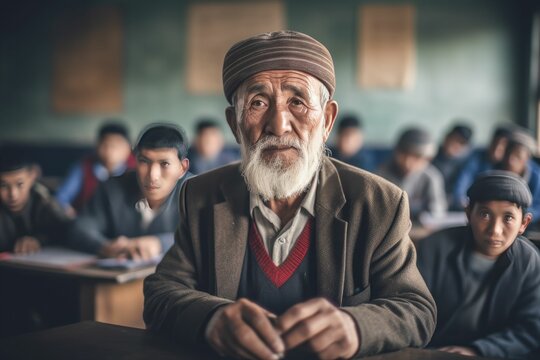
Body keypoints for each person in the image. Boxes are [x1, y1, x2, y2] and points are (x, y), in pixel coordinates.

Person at [144, 30, 436, 360]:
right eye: (257, 103)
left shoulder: (379, 203)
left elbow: (416, 309)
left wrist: (355, 326)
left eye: (297, 102)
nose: (279, 125)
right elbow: (160, 293)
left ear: (327, 120)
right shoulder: (200, 195)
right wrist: (211, 318)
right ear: (235, 124)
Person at [416, 171, 540, 359]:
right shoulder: (434, 248)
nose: (495, 230)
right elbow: (412, 309)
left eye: (508, 218)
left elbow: (532, 327)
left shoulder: (529, 261)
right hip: (433, 350)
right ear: (468, 214)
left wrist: (478, 350)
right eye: (485, 214)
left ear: (524, 223)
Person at [67, 123, 191, 260]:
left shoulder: (197, 191)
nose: (152, 176)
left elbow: (206, 235)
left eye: (164, 164)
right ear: (134, 160)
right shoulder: (111, 187)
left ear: (182, 168)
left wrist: (160, 243)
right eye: (144, 161)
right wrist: (105, 246)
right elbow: (80, 227)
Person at [55, 121, 135, 216]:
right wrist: (67, 211)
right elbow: (61, 199)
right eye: (105, 144)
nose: (110, 151)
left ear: (128, 148)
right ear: (97, 146)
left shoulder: (135, 169)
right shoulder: (83, 167)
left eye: (116, 145)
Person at [0, 150, 71, 253]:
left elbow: (66, 230)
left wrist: (39, 240)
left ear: (32, 177)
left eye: (20, 184)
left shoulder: (44, 201)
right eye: (3, 185)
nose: (13, 195)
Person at [377, 127, 447, 222]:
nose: (408, 162)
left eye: (416, 157)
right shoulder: (381, 173)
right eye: (404, 154)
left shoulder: (431, 177)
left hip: (420, 229)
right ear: (396, 152)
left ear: (427, 159)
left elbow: (437, 212)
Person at [453, 125, 514, 209]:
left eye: (502, 147)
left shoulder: (511, 164)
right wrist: (462, 202)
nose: (496, 149)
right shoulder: (477, 156)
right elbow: (462, 181)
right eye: (495, 143)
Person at [496, 127, 540, 225]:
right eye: (508, 154)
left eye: (517, 156)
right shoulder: (495, 170)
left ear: (527, 158)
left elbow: (538, 207)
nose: (510, 160)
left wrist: (517, 215)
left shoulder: (536, 177)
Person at [432, 123, 473, 210]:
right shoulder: (430, 154)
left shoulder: (464, 162)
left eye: (461, 143)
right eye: (454, 139)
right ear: (446, 136)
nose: (456, 145)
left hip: (451, 205)